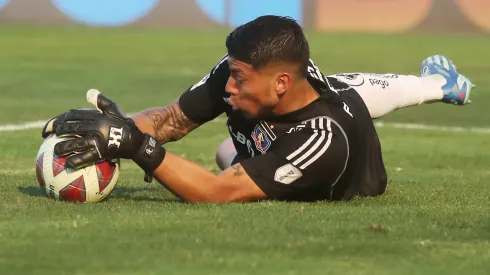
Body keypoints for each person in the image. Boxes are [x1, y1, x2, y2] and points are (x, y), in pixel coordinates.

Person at [41, 15, 474, 203]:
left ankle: (440, 84)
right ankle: (440, 83)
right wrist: (114, 129)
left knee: (225, 159)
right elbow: (171, 120)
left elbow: (215, 192)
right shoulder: (245, 74)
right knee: (345, 88)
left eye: (239, 78)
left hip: (335, 168)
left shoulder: (321, 140)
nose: (227, 86)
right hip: (307, 107)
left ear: (281, 83)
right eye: (230, 73)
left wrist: (134, 144)